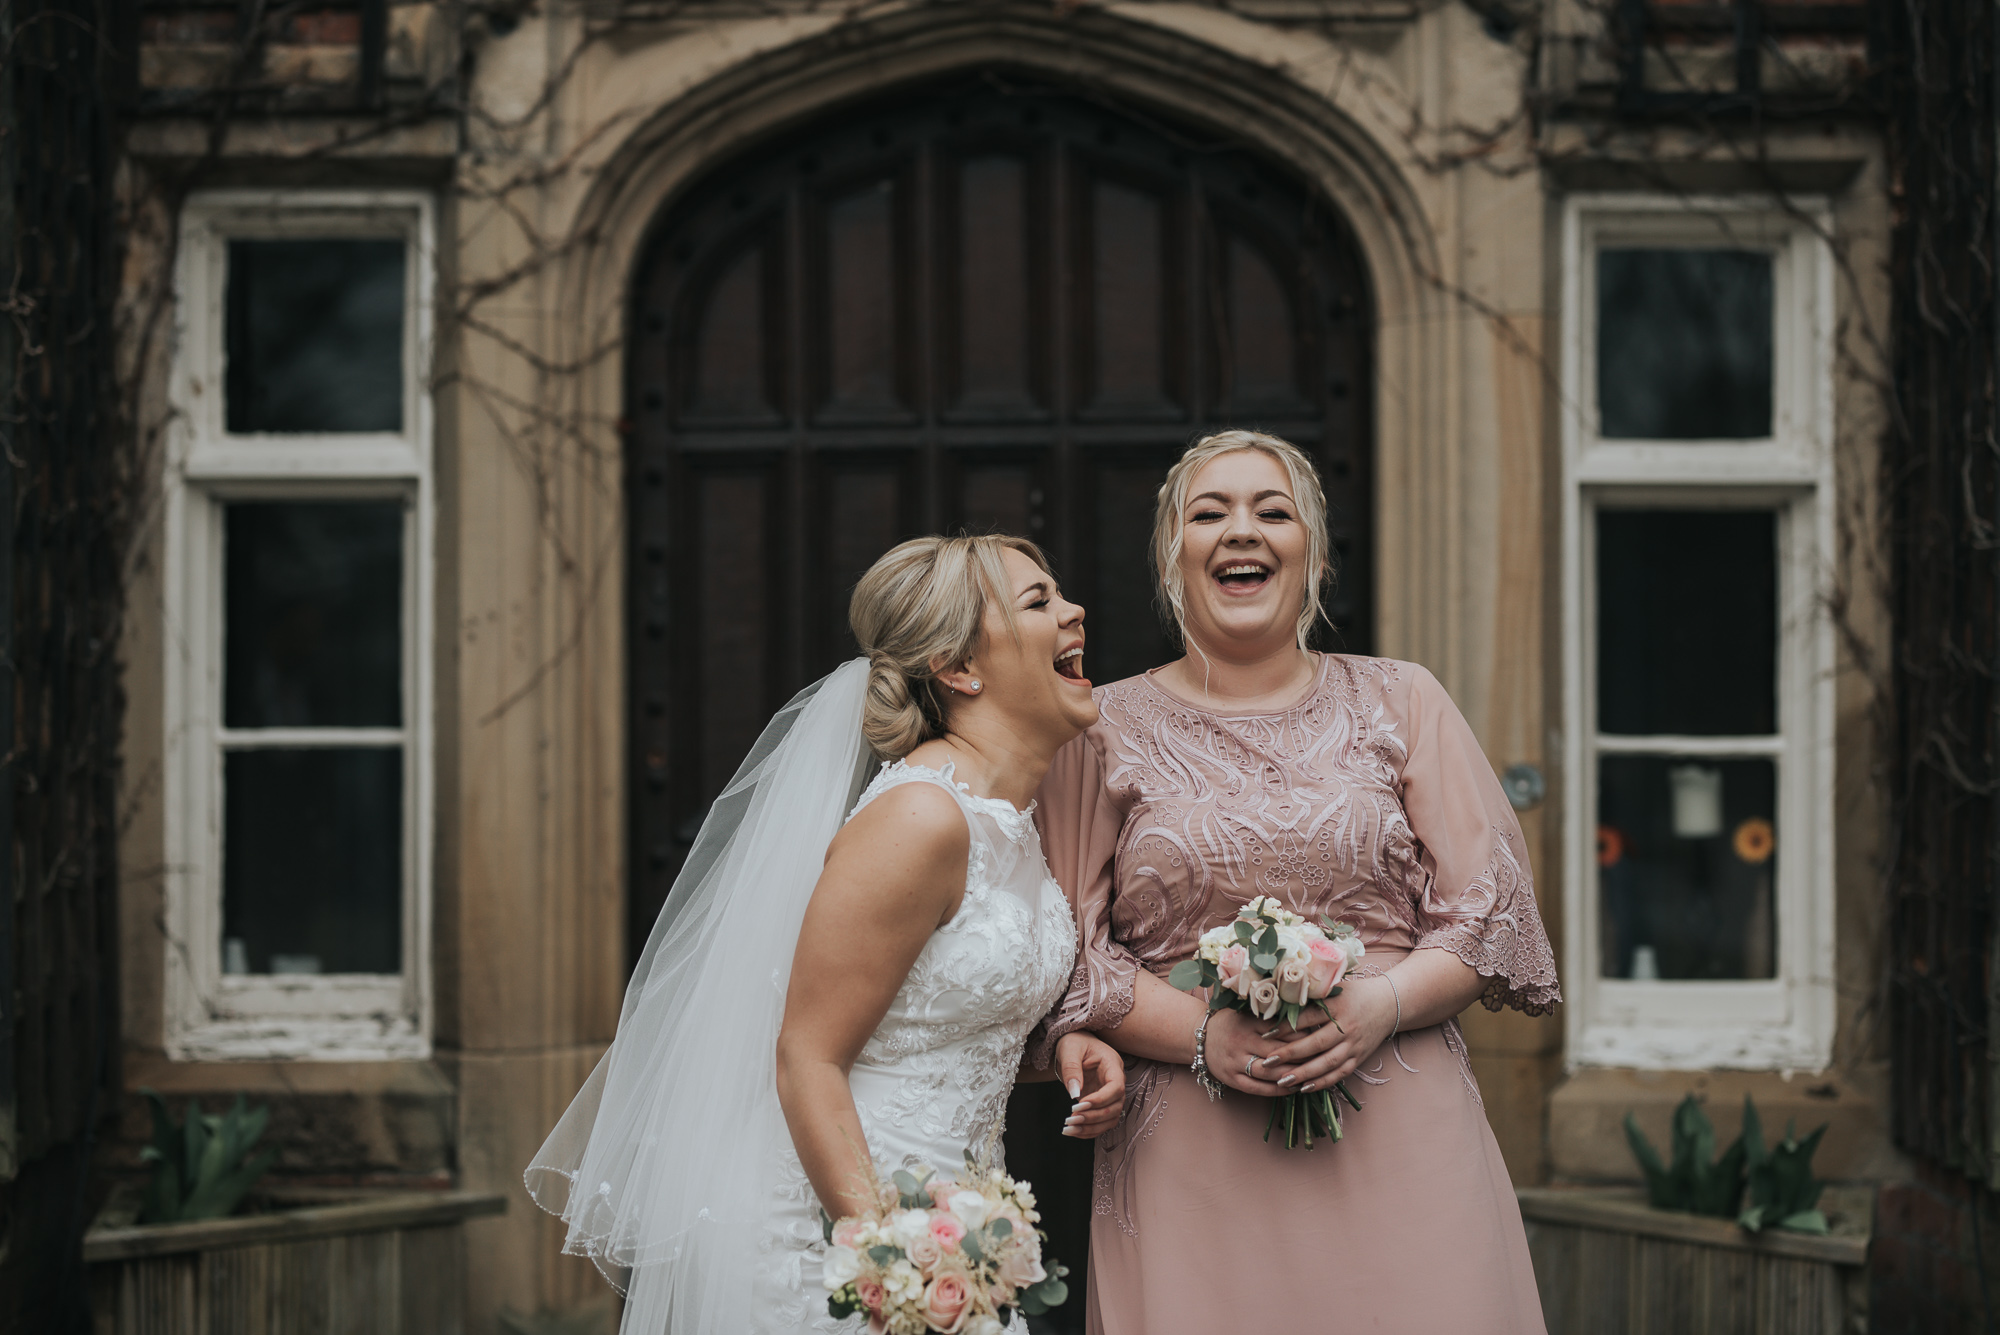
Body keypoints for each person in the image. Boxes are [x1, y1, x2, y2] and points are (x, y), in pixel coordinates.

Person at [527, 534, 1126, 1333]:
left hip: (957, 1224)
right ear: (959, 668)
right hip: (838, 1239)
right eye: (1038, 600)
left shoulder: (1008, 825)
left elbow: (925, 1033)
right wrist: (892, 1265)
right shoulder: (919, 818)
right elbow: (807, 1055)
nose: (1073, 609)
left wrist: (1055, 1052)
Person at [1033, 431, 1559, 1334]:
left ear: (1312, 550)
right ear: (1172, 555)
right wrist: (1205, 1035)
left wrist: (1380, 1006)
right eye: (1210, 513)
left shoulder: (1403, 699)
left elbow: (1492, 911)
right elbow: (1066, 955)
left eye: (1273, 512)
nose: (1243, 531)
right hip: (1193, 1146)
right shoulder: (1099, 727)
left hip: (1403, 1119)